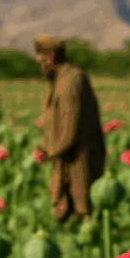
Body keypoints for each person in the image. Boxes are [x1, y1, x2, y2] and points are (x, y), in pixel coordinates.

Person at [33, 35, 106, 223]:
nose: (39, 64)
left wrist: (49, 151)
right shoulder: (60, 78)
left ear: (50, 57)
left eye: (41, 59)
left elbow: (68, 130)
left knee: (80, 210)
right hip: (66, 156)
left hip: (76, 159)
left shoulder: (70, 81)